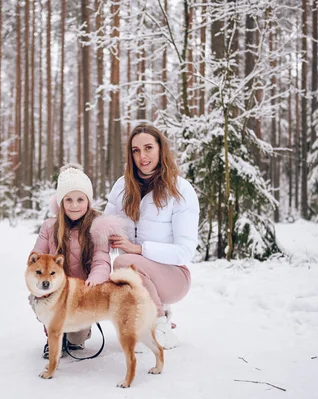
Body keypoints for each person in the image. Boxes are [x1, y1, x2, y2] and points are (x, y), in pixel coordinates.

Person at [104, 123, 199, 349]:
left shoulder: (181, 190)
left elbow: (185, 251)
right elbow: (104, 230)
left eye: (148, 148)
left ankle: (159, 323)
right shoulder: (122, 187)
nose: (142, 156)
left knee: (124, 263)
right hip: (139, 276)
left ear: (160, 149)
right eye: (136, 150)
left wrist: (138, 249)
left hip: (174, 277)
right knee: (122, 268)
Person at [31, 163, 123, 359]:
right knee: (46, 307)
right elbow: (36, 257)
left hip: (81, 293)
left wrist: (97, 279)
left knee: (75, 339)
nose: (74, 205)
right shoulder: (50, 227)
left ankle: (78, 334)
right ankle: (53, 337)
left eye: (80, 199)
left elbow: (101, 260)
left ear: (88, 201)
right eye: (69, 200)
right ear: (61, 202)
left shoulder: (97, 227)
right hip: (54, 290)